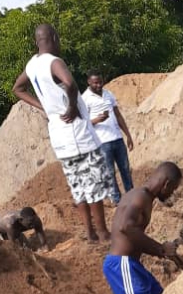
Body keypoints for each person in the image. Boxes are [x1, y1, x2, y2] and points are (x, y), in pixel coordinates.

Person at [13, 24, 115, 242]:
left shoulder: (32, 65)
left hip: (60, 137)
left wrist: (45, 107)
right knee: (93, 184)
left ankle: (89, 233)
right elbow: (70, 84)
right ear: (54, 38)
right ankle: (104, 232)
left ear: (36, 42)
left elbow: (18, 89)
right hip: (77, 134)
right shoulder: (54, 62)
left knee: (78, 186)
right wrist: (71, 107)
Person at [103, 162, 183, 294]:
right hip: (122, 266)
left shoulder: (142, 196)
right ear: (166, 184)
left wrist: (169, 255)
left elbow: (135, 236)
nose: (171, 193)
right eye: (173, 189)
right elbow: (126, 227)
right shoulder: (140, 197)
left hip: (133, 265)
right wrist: (161, 249)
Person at [82, 70, 135, 205]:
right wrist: (97, 120)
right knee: (109, 173)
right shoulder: (85, 98)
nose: (99, 85)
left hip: (117, 138)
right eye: (95, 83)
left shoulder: (108, 94)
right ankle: (117, 200)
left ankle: (131, 196)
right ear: (89, 82)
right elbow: (83, 123)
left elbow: (118, 115)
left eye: (100, 82)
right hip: (102, 142)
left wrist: (127, 135)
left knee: (125, 169)